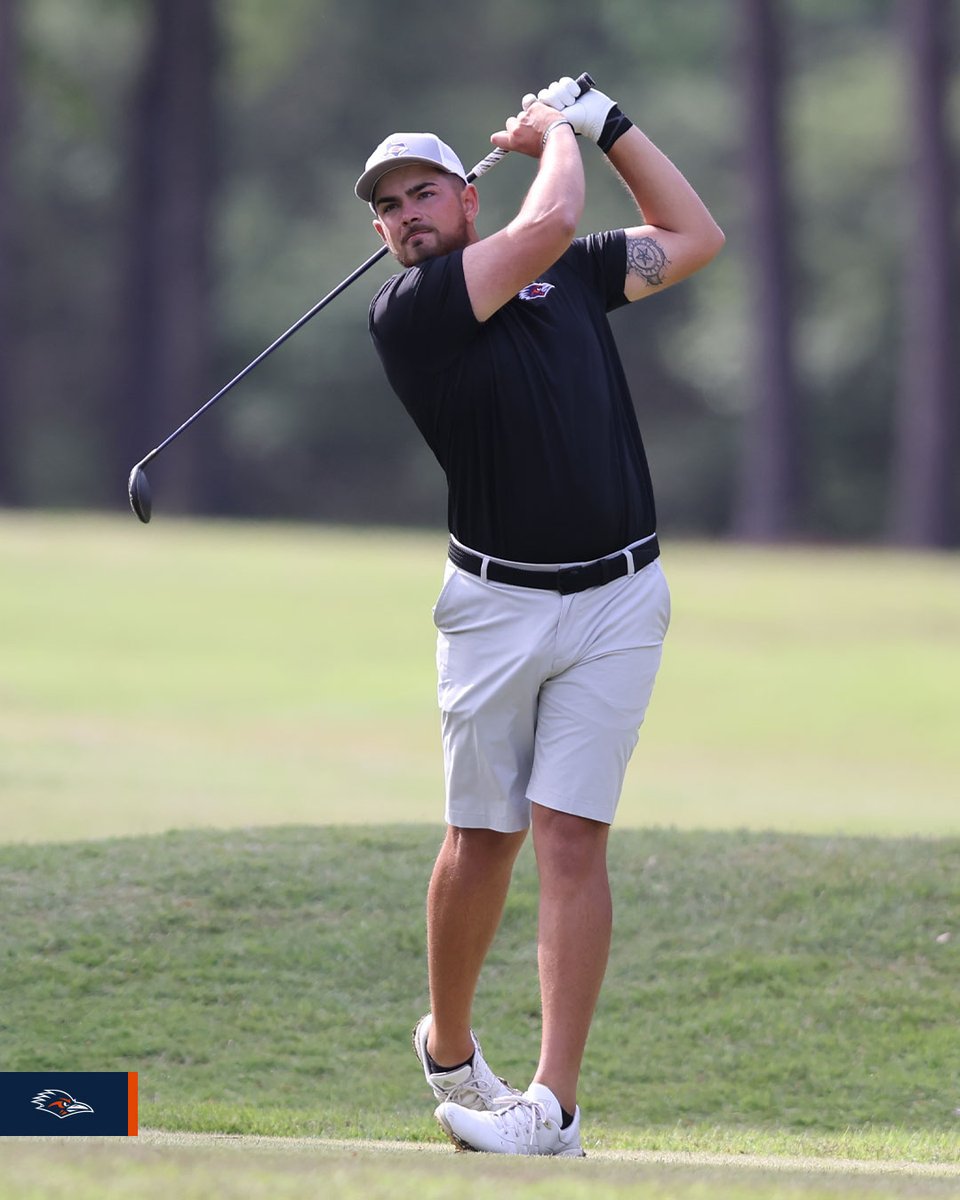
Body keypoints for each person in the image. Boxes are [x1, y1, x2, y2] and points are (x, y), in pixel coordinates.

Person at [354, 76, 724, 1157]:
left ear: (466, 199)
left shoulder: (567, 275)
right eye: (388, 206)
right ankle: (454, 1047)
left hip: (620, 597)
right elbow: (553, 215)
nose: (408, 215)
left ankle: (552, 1107)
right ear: (380, 232)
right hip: (494, 608)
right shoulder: (411, 312)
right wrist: (559, 131)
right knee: (485, 839)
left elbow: (693, 234)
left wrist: (609, 127)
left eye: (425, 193)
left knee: (572, 838)